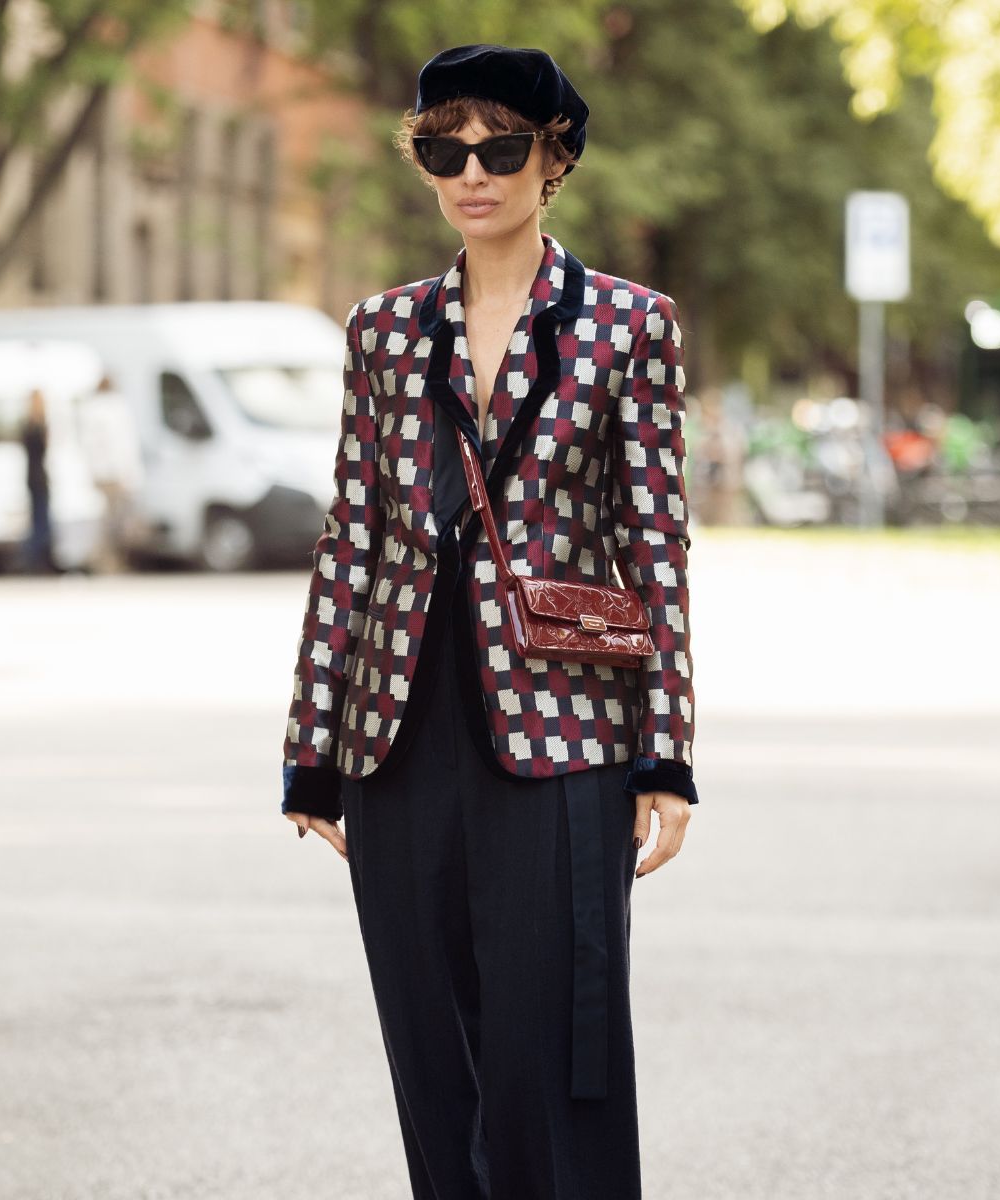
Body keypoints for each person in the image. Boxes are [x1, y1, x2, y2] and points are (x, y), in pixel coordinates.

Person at [280, 43, 700, 1200]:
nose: (472, 172)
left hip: (565, 740)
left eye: (499, 147)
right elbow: (352, 537)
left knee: (552, 1055)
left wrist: (665, 754)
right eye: (442, 149)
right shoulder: (382, 331)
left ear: (553, 158)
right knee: (432, 1061)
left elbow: (653, 538)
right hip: (396, 738)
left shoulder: (628, 327)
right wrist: (313, 749)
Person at [77, 372, 145, 573]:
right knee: (115, 519)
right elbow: (124, 444)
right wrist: (129, 472)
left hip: (101, 473)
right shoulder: (116, 408)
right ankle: (111, 559)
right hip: (115, 472)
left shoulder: (91, 409)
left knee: (108, 517)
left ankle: (105, 559)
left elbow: (89, 444)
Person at [19, 388, 56, 574]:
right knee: (42, 521)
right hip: (39, 476)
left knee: (37, 520)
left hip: (32, 476)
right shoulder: (38, 425)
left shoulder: (27, 424)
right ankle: (37, 559)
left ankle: (35, 559)